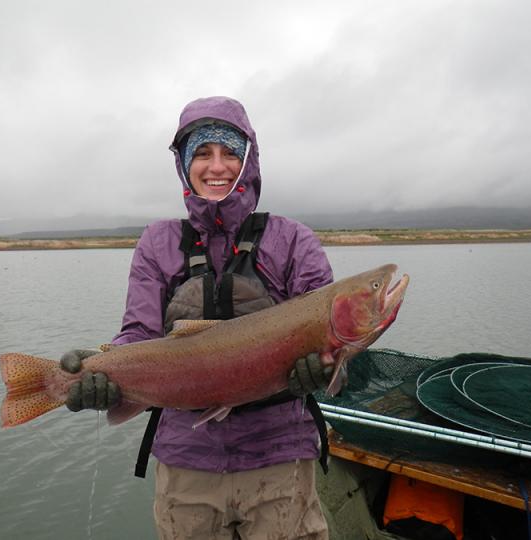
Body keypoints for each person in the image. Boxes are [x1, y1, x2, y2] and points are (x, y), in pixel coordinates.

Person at [60, 96, 335, 539]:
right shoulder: (157, 242)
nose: (217, 166)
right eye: (202, 153)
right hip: (187, 464)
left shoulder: (293, 240)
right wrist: (101, 374)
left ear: (249, 161)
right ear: (184, 165)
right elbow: (139, 335)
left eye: (230, 152)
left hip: (281, 458)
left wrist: (323, 368)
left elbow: (328, 325)